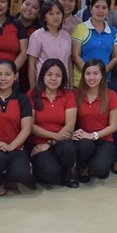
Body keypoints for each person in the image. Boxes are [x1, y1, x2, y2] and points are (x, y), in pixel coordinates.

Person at [0, 60, 34, 196]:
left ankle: (8, 178)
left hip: (15, 147)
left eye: (7, 74)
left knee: (22, 174)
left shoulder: (22, 99)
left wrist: (11, 146)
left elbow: (26, 128)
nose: (3, 78)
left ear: (15, 76)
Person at [28, 58, 78, 187]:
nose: (53, 79)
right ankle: (43, 170)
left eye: (58, 75)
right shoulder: (32, 94)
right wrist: (55, 137)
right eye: (49, 75)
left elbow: (70, 125)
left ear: (63, 78)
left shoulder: (68, 95)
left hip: (60, 141)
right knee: (49, 174)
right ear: (42, 76)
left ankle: (67, 177)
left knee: (69, 148)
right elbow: (31, 126)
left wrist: (51, 143)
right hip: (38, 143)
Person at [73, 59, 117, 182]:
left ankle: (96, 163)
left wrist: (93, 135)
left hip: (104, 139)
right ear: (83, 76)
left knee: (100, 172)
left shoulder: (111, 95)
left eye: (95, 74)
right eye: (88, 74)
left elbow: (113, 126)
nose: (91, 77)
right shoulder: (75, 94)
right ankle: (83, 167)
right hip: (82, 139)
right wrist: (73, 133)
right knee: (84, 144)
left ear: (102, 75)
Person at [70, 0, 117, 87]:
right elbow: (75, 56)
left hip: (104, 82)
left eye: (104, 7)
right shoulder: (80, 28)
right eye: (97, 7)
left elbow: (116, 57)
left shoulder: (113, 32)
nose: (100, 11)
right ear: (90, 9)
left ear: (108, 10)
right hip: (81, 82)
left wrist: (100, 74)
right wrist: (90, 75)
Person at [27, 0, 73, 91]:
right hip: (44, 85)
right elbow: (31, 64)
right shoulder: (37, 36)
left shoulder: (66, 36)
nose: (55, 17)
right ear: (44, 17)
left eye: (58, 13)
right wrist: (33, 88)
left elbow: (68, 62)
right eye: (51, 14)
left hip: (63, 84)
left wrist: (70, 84)